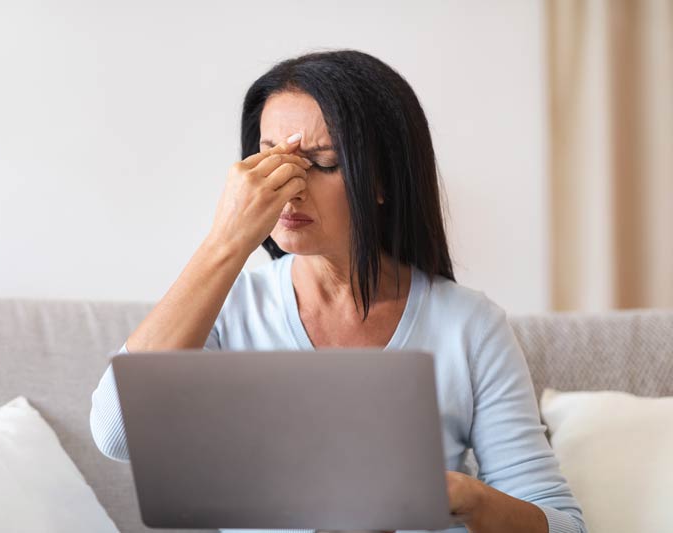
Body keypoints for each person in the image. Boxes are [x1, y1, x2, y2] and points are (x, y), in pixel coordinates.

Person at [90, 49, 587, 533]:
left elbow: (564, 526)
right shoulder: (229, 307)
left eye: (321, 162)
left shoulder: (469, 325)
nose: (288, 187)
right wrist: (226, 240)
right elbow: (116, 433)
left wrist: (463, 497)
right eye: (269, 161)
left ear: (382, 179)